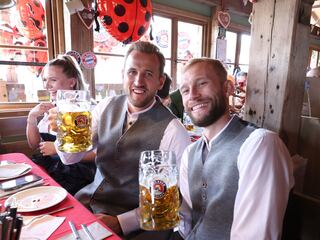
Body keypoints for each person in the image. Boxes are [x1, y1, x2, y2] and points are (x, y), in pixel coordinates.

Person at [49, 41, 191, 239]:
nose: (138, 81)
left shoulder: (174, 131)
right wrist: (63, 133)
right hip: (91, 204)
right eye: (132, 72)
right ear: (123, 74)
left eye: (148, 74)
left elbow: (175, 201)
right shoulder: (105, 106)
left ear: (160, 81)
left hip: (141, 225)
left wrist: (121, 223)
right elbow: (70, 158)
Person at [178, 58, 294, 239]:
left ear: (228, 88)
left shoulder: (259, 145)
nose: (192, 95)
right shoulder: (189, 154)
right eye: (185, 90)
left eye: (202, 84)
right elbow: (188, 223)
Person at [26, 55, 96, 195]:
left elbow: (96, 154)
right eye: (45, 80)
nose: (46, 86)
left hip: (76, 172)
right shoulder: (52, 109)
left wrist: (57, 149)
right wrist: (32, 117)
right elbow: (34, 145)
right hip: (51, 166)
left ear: (72, 82)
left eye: (53, 80)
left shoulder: (87, 111)